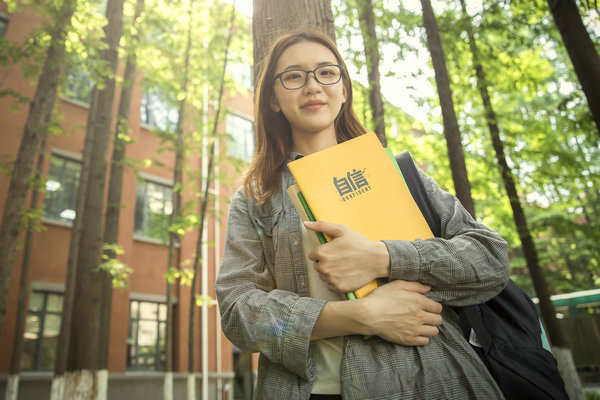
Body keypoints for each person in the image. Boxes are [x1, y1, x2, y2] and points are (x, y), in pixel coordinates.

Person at [216, 30, 510, 400]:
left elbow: (491, 259)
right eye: (293, 76)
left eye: (326, 72)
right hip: (305, 390)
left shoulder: (399, 173)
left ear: (343, 89)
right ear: (273, 100)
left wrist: (383, 257)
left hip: (432, 382)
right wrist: (362, 316)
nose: (312, 86)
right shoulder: (255, 199)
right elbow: (237, 311)